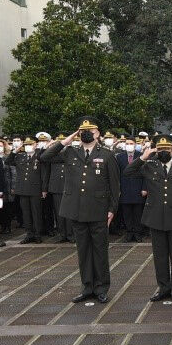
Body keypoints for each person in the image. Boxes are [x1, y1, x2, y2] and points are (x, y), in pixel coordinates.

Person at [39, 118, 122, 303]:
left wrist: (112, 209)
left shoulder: (107, 155)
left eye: (90, 130)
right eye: (82, 130)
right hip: (76, 209)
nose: (86, 133)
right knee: (83, 250)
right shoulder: (70, 152)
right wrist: (65, 141)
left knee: (100, 250)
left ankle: (101, 288)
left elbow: (115, 186)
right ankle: (87, 287)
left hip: (98, 209)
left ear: (97, 133)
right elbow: (44, 157)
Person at [125, 137, 172, 302]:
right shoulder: (149, 166)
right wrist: (144, 156)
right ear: (156, 150)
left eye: (167, 149)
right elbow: (128, 172)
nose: (163, 152)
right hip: (156, 217)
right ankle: (163, 288)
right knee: (160, 256)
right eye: (160, 149)